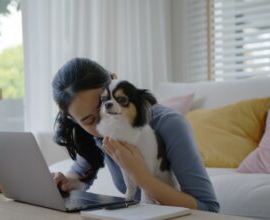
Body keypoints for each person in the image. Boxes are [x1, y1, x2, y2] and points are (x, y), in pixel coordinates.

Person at [51, 57, 219, 212]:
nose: (104, 117)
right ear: (74, 120)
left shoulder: (169, 124)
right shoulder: (99, 133)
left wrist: (142, 177)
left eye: (103, 104)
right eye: (88, 120)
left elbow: (209, 208)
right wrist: (65, 182)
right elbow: (81, 174)